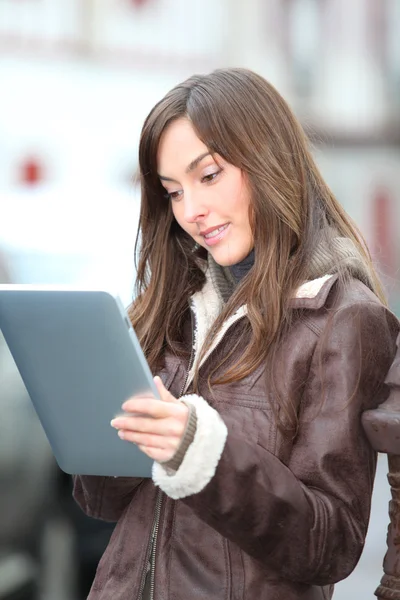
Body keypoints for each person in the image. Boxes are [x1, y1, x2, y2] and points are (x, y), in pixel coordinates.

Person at [73, 68, 399, 600]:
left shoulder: (343, 319)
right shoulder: (168, 307)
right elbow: (100, 504)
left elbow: (331, 543)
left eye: (209, 175)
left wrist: (199, 454)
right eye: (173, 191)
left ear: (268, 159)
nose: (191, 212)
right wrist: (96, 427)